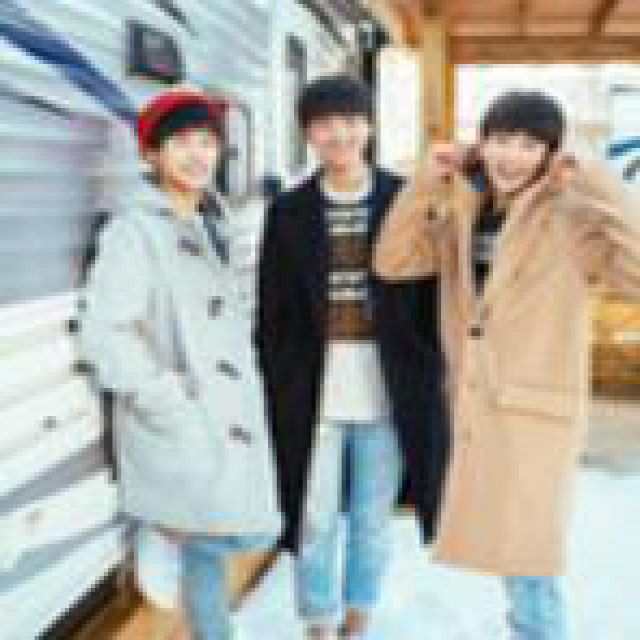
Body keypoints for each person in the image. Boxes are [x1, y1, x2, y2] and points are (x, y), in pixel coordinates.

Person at [373, 89, 640, 639]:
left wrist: (599, 180)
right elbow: (394, 261)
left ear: (551, 154)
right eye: (501, 140)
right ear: (482, 143)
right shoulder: (463, 210)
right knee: (515, 563)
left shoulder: (573, 218)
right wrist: (425, 181)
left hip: (537, 412)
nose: (512, 156)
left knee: (530, 563)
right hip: (477, 406)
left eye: (529, 144)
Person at [80, 87, 282, 639]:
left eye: (207, 142)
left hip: (222, 416)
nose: (198, 155)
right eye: (182, 143)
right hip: (180, 418)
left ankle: (183, 563)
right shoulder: (134, 231)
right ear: (152, 154)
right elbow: (105, 333)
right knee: (217, 540)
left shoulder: (212, 222)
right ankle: (163, 534)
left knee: (235, 538)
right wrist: (165, 399)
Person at [255, 73, 450, 640]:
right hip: (313, 391)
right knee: (314, 519)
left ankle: (358, 617)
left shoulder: (404, 199)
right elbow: (272, 312)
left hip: (387, 390)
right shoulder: (288, 212)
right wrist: (278, 381)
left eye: (349, 121)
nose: (337, 134)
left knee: (371, 521)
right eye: (323, 124)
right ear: (307, 134)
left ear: (368, 126)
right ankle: (318, 620)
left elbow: (431, 292)